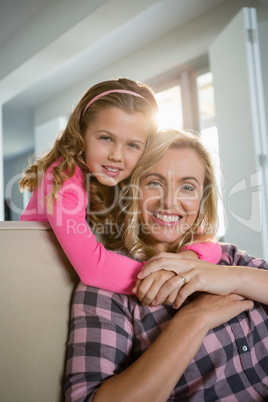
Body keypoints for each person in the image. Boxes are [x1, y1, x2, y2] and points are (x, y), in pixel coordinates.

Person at [65, 129, 268, 401]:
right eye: (154, 183)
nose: (170, 202)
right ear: (130, 192)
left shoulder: (229, 258)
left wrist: (231, 278)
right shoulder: (106, 290)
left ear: (201, 199)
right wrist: (193, 320)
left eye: (187, 187)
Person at [19, 78, 221, 295]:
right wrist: (166, 277)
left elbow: (206, 241)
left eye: (133, 145)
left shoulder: (125, 180)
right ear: (82, 133)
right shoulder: (62, 179)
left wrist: (187, 259)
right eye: (106, 138)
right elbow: (93, 269)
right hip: (32, 282)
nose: (116, 156)